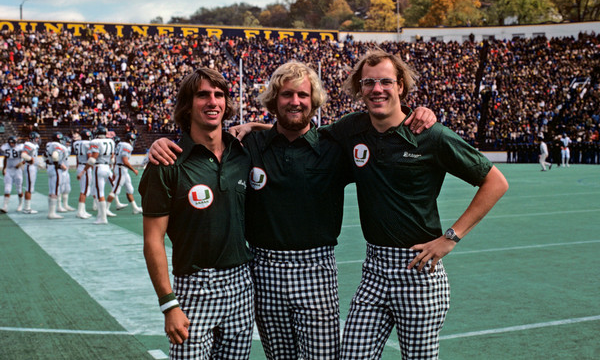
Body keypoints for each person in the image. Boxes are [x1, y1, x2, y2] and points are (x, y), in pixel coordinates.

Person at [148, 61, 437, 359]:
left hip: (317, 271)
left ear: (314, 101)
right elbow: (209, 141)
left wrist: (420, 113)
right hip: (264, 270)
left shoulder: (334, 145)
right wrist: (159, 144)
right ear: (274, 100)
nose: (295, 101)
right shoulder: (250, 145)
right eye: (287, 95)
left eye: (302, 95)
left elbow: (382, 130)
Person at [319, 49, 508, 360]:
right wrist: (255, 129)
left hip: (418, 270)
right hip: (374, 272)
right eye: (368, 82)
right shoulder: (351, 128)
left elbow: (496, 182)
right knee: (352, 354)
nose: (376, 89)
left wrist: (451, 238)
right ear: (359, 88)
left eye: (385, 81)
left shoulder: (431, 134)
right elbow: (304, 135)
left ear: (400, 86)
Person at [140, 67, 255, 360]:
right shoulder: (166, 161)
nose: (212, 102)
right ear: (187, 105)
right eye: (202, 95)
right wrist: (169, 304)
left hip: (242, 285)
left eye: (219, 95)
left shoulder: (241, 152)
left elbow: (290, 128)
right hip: (194, 288)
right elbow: (153, 240)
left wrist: (253, 124)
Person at [78, 126, 115, 224]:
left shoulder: (95, 142)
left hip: (99, 167)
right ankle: (101, 215)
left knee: (100, 193)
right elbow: (112, 158)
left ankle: (102, 218)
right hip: (107, 167)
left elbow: (92, 159)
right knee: (101, 192)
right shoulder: (111, 141)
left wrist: (83, 171)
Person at [106, 132, 142, 214]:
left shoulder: (120, 144)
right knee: (115, 190)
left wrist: (114, 171)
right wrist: (133, 169)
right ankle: (105, 209)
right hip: (121, 169)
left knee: (129, 189)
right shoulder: (127, 146)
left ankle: (135, 208)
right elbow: (125, 161)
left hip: (121, 169)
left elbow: (116, 158)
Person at [45, 132, 69, 219]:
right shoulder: (57, 145)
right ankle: (52, 213)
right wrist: (58, 164)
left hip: (50, 168)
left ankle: (50, 211)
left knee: (51, 190)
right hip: (56, 168)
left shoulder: (49, 145)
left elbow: (45, 156)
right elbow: (55, 155)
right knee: (55, 190)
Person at [73, 129, 94, 219]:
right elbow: (90, 158)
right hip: (85, 167)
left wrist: (78, 168)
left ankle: (83, 210)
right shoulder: (88, 144)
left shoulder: (76, 143)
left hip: (81, 165)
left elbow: (77, 157)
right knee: (84, 191)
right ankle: (80, 211)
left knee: (84, 190)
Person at [1, 136, 24, 213]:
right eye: (10, 142)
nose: (11, 144)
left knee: (19, 189)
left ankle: (20, 204)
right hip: (9, 170)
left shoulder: (20, 147)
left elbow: (27, 157)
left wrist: (21, 163)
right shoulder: (5, 147)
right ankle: (5, 207)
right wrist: (4, 168)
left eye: (13, 142)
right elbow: (5, 158)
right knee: (7, 189)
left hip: (17, 170)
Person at [21, 131, 42, 214]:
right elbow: (24, 154)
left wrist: (38, 163)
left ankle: (27, 207)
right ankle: (27, 208)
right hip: (30, 167)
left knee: (30, 187)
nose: (38, 139)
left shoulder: (34, 145)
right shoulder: (28, 144)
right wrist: (30, 159)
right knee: (29, 188)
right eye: (36, 138)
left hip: (33, 167)